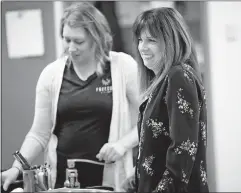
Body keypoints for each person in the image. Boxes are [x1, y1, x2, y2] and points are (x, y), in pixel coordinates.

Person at [1, 2, 139, 191]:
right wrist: (17, 168)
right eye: (67, 40)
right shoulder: (51, 74)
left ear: (96, 38)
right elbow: (39, 133)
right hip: (63, 181)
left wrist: (122, 145)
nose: (71, 47)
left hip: (110, 181)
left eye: (78, 41)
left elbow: (149, 119)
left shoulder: (123, 67)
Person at [122, 7, 209, 192]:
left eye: (151, 40)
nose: (142, 47)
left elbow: (182, 150)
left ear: (171, 42)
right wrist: (137, 175)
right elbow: (159, 144)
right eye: (140, 40)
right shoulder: (163, 81)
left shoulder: (178, 76)